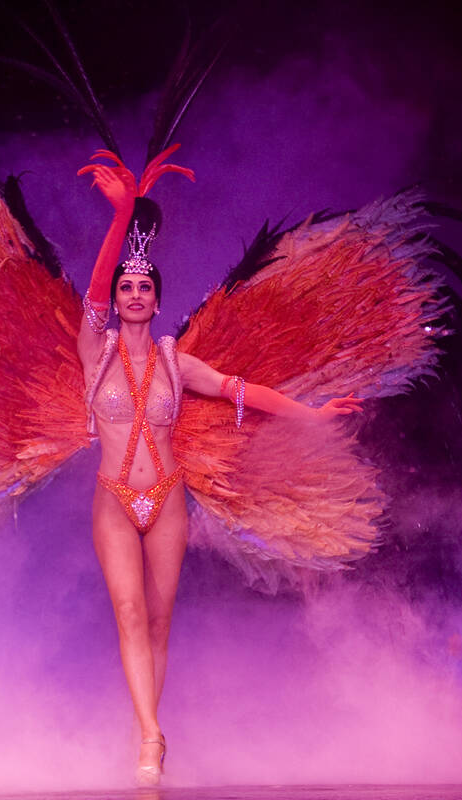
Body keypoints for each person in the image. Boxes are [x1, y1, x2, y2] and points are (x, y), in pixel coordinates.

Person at [76, 149, 363, 784]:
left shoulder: (179, 363)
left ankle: (143, 719)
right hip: (113, 499)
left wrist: (311, 416)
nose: (130, 293)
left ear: (156, 302)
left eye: (143, 287)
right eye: (125, 286)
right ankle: (151, 736)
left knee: (157, 619)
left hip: (170, 498)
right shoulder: (92, 351)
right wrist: (122, 215)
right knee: (126, 613)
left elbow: (246, 391)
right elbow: (94, 287)